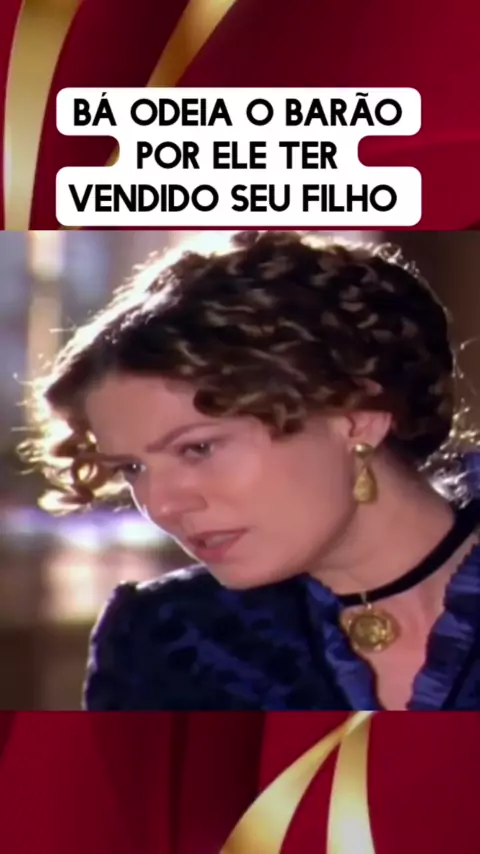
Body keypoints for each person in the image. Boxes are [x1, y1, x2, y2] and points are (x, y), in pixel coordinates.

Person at [22, 230, 480, 711]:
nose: (161, 505)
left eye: (198, 448)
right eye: (133, 467)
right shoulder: (168, 638)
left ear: (356, 418)